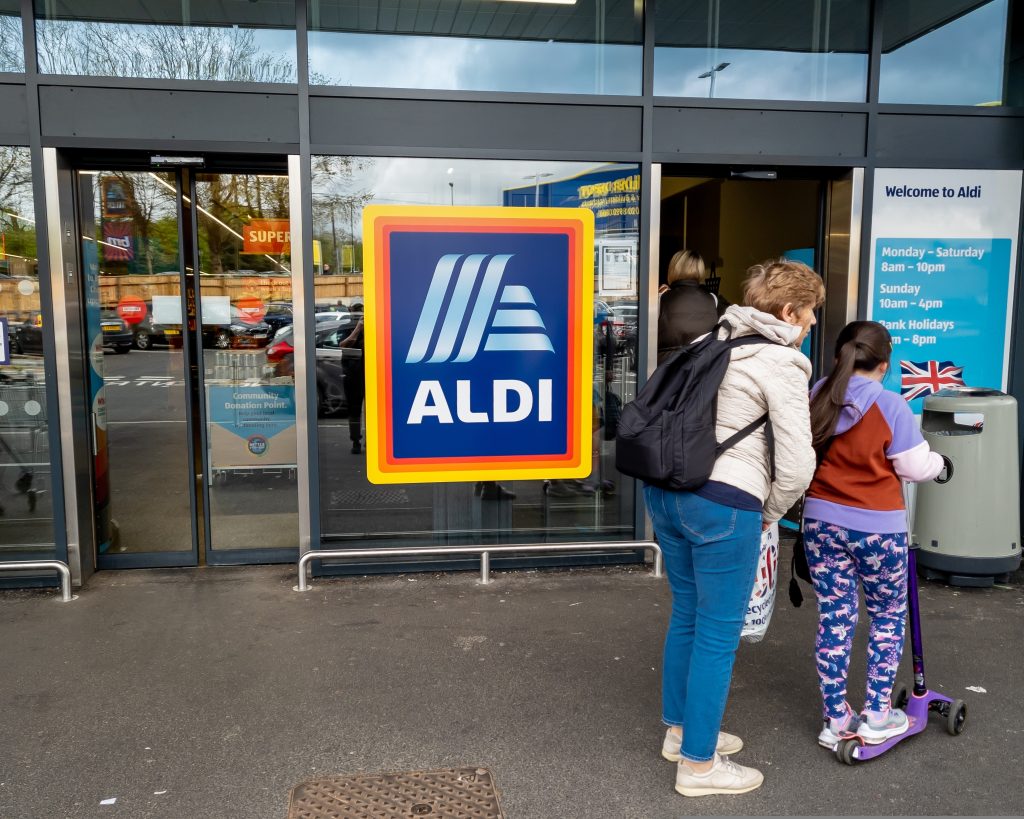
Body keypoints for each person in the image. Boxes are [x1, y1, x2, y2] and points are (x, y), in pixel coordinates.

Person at [645, 259, 823, 797]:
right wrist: (769, 513)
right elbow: (796, 464)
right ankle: (699, 767)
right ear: (789, 311)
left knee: (689, 617)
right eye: (811, 311)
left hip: (668, 494)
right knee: (719, 633)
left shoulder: (713, 339)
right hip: (724, 502)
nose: (813, 322)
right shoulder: (782, 362)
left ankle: (681, 735)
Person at [804, 321, 944, 750]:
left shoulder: (817, 394)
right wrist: (940, 463)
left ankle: (835, 717)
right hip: (877, 529)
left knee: (835, 615)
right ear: (883, 364)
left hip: (820, 523)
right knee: (885, 616)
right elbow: (915, 468)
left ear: (839, 356)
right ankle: (878, 714)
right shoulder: (890, 405)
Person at [657, 250, 720, 364]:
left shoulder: (661, 298)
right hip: (701, 369)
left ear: (673, 269)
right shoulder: (712, 299)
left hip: (667, 370)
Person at [337, 316, 365, 454]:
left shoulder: (372, 328)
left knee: (373, 410)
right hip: (352, 376)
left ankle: (371, 440)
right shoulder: (345, 328)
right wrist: (358, 328)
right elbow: (343, 345)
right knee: (354, 409)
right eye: (356, 309)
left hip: (370, 375)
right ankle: (356, 441)